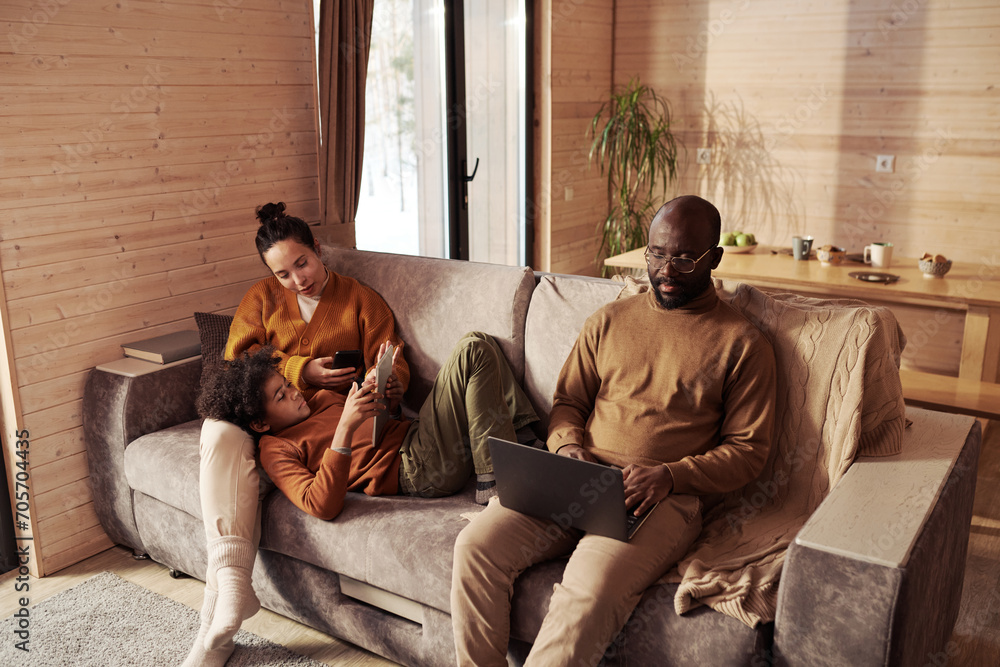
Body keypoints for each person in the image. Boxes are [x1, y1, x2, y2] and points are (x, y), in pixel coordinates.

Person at [450, 195, 778, 666]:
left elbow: (749, 451)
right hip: (575, 476)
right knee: (475, 547)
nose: (666, 269)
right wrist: (567, 447)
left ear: (714, 259)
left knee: (588, 591)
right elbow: (568, 404)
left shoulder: (742, 343)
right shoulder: (609, 320)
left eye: (684, 257)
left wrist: (669, 475)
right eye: (657, 253)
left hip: (660, 497)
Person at [185, 202, 411, 666]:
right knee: (217, 431)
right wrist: (298, 368)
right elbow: (233, 368)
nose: (298, 279)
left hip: (324, 432)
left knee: (226, 458)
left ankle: (213, 642)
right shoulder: (261, 299)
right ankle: (229, 602)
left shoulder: (358, 300)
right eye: (283, 274)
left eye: (302, 263)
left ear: (318, 250)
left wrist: (387, 380)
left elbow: (392, 360)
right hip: (264, 425)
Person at [198, 333, 537, 524]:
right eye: (281, 396)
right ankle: (496, 485)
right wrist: (345, 426)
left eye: (287, 385)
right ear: (260, 422)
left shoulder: (321, 399)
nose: (294, 393)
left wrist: (386, 392)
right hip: (415, 469)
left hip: (416, 437)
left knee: (484, 342)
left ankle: (525, 440)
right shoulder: (275, 449)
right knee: (471, 350)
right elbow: (320, 505)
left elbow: (378, 426)